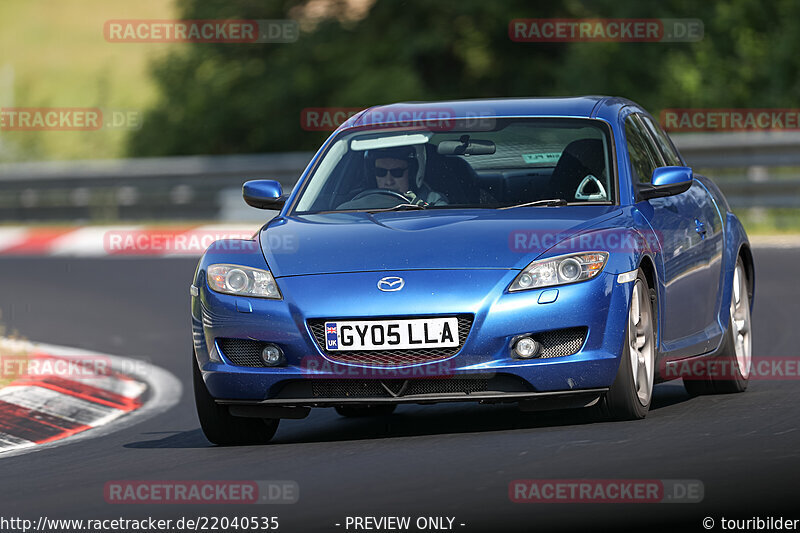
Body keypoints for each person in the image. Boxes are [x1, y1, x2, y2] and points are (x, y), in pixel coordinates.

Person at [367, 146, 448, 206]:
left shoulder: (434, 202)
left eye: (397, 172)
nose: (389, 181)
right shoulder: (360, 204)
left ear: (412, 174)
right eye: (381, 172)